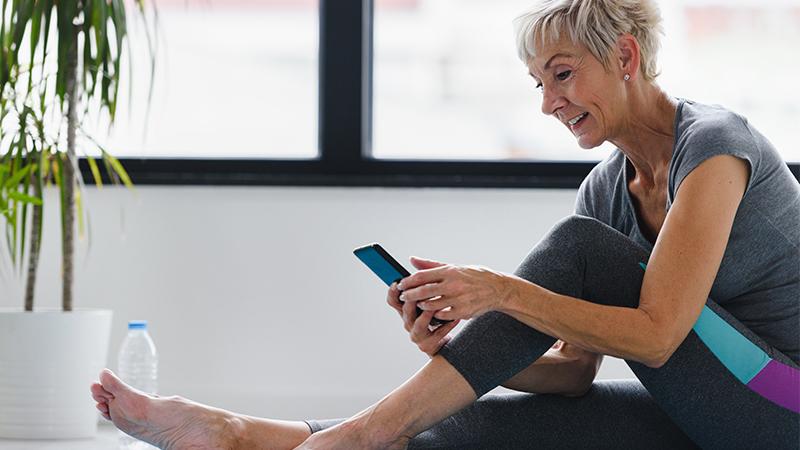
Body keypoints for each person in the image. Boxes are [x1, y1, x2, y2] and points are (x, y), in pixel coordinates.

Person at [91, 0, 800, 448]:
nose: (548, 102)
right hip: (713, 413)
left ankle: (359, 437)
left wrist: (499, 291)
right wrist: (461, 347)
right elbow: (574, 379)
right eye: (537, 85)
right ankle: (244, 433)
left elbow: (659, 334)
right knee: (468, 430)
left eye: (561, 75)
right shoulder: (606, 189)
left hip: (784, 408)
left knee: (582, 252)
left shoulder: (714, 148)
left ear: (624, 56)